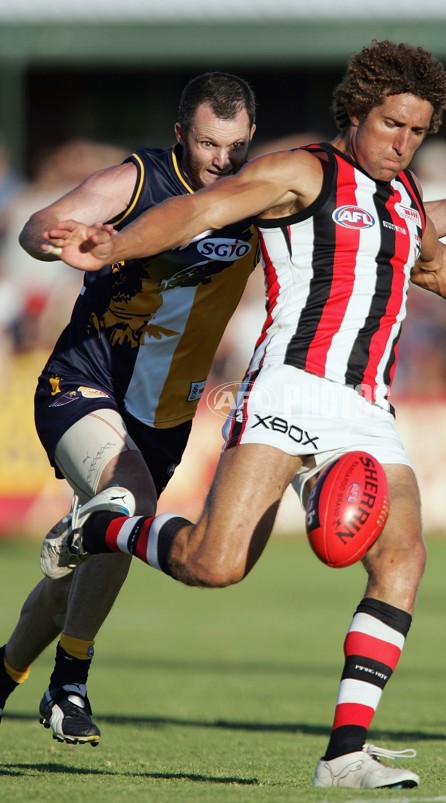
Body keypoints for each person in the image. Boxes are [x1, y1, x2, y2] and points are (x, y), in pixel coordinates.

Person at [38, 40, 446, 788]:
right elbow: (203, 208)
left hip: (366, 407)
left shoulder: (402, 198)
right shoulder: (302, 172)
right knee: (215, 562)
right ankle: (100, 525)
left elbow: (430, 265)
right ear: (357, 112)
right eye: (393, 124)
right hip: (289, 392)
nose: (404, 142)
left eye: (418, 131)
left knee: (404, 557)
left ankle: (344, 753)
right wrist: (115, 245)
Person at [0, 72, 260, 746]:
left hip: (164, 417)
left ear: (250, 138)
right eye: (207, 143)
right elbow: (39, 225)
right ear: (181, 135)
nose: (220, 160)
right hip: (80, 386)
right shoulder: (137, 181)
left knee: (74, 577)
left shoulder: (259, 196)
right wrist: (54, 239)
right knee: (127, 502)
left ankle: (5, 676)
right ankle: (70, 683)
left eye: (233, 146)